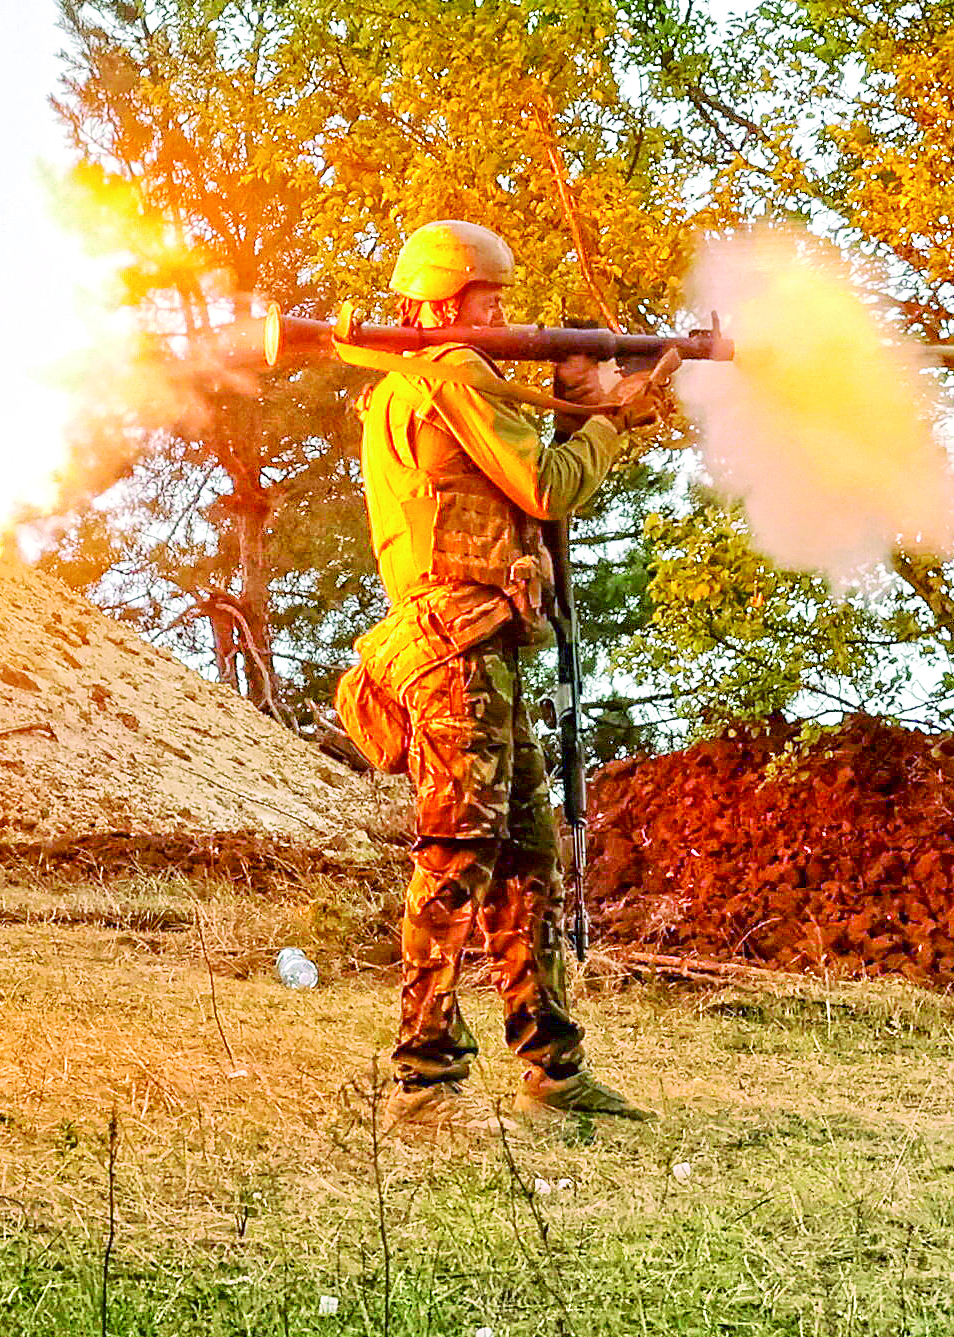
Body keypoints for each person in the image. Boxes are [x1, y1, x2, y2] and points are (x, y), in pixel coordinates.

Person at [352, 220, 665, 1133]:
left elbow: (525, 490)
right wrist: (610, 414)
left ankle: (552, 1068)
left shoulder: (440, 378)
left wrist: (581, 403)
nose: (505, 313)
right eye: (492, 297)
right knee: (455, 857)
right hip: (456, 654)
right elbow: (549, 489)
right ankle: (424, 1078)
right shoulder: (450, 377)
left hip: (479, 648)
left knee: (526, 861)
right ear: (449, 301)